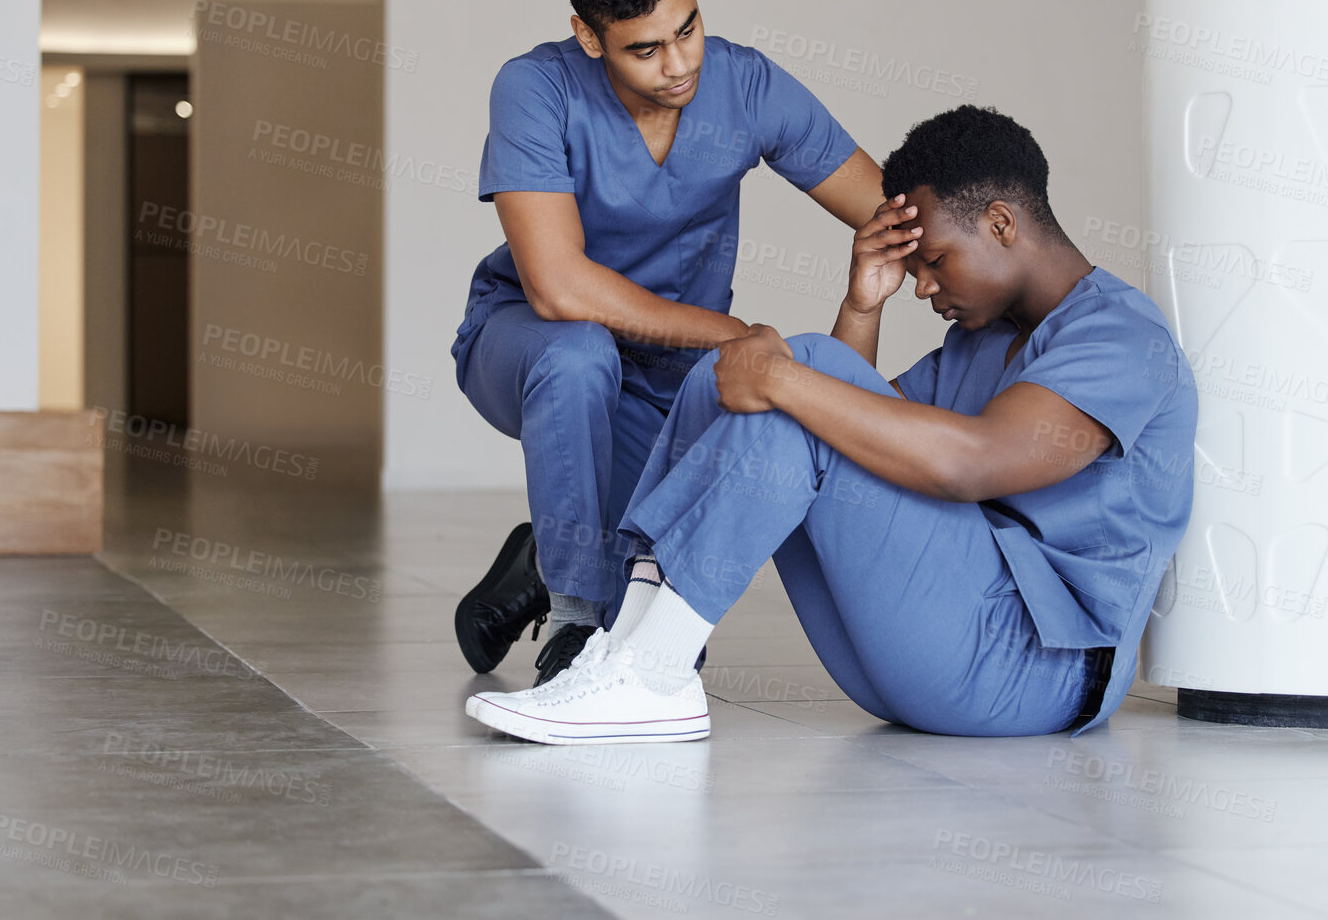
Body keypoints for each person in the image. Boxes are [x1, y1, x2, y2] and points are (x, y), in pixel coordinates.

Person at [465, 105, 1198, 744]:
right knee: (741, 375)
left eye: (935, 260)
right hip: (932, 658)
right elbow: (855, 443)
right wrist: (862, 307)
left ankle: (653, 681)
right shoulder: (981, 341)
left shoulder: (1119, 336)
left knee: (790, 371)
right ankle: (631, 656)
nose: (927, 287)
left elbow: (971, 462)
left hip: (1036, 671)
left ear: (1002, 223)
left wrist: (788, 371)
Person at [450, 0, 886, 686]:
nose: (680, 64)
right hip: (528, 345)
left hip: (663, 375)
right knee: (577, 353)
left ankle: (545, 553)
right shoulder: (535, 88)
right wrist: (732, 334)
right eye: (645, 49)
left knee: (662, 632)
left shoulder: (745, 85)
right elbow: (558, 288)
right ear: (589, 37)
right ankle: (574, 613)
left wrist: (1003, 280)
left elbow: (884, 208)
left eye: (689, 30)